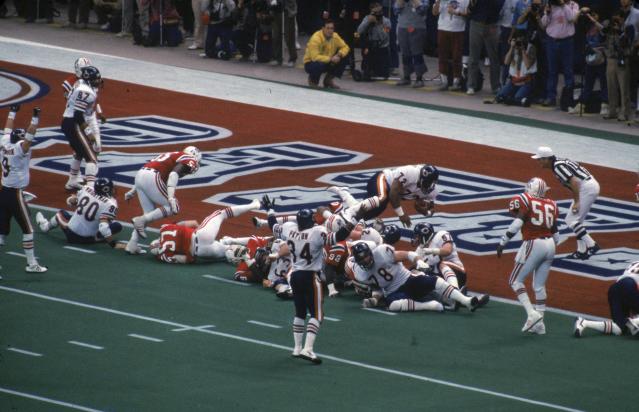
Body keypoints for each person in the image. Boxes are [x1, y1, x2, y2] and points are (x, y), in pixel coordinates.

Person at [266, 196, 358, 364]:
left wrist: (270, 210)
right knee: (317, 314)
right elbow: (338, 237)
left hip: (294, 276)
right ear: (309, 221)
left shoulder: (290, 230)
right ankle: (308, 350)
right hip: (310, 276)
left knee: (300, 312)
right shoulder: (317, 232)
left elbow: (273, 226)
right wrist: (352, 223)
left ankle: (296, 348)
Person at [496, 177, 559, 334]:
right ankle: (540, 325)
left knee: (515, 281)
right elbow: (556, 234)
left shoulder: (525, 199)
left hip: (534, 242)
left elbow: (518, 223)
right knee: (539, 286)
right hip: (551, 244)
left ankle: (532, 314)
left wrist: (504, 240)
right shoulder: (552, 204)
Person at [347, 241, 480, 312]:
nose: (365, 260)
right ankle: (429, 306)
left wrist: (419, 261)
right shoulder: (361, 273)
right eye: (362, 259)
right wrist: (375, 299)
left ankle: (465, 301)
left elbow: (407, 254)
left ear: (371, 253)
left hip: (408, 280)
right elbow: (376, 287)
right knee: (392, 305)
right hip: (394, 292)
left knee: (436, 281)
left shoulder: (382, 252)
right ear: (358, 262)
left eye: (366, 256)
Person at [124, 146, 202, 254]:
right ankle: (140, 220)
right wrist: (171, 197)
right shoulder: (190, 159)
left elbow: (150, 168)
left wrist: (133, 190)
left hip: (141, 175)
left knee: (149, 214)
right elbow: (173, 174)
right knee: (173, 207)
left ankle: (132, 244)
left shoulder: (173, 154)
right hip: (152, 176)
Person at [0, 105, 47, 273]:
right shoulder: (20, 149)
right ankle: (32, 264)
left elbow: (7, 128)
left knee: (2, 233)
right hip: (15, 193)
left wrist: (13, 112)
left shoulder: (5, 142)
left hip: (3, 192)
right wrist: (35, 118)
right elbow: (29, 136)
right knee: (28, 230)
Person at [531, 146, 600, 259]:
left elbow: (574, 182)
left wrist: (577, 201)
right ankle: (581, 251)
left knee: (571, 220)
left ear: (546, 159)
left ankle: (592, 245)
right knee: (577, 221)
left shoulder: (558, 166)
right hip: (589, 186)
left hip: (586, 188)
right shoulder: (559, 163)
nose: (538, 162)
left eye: (539, 159)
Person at [149, 198, 263, 263]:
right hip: (201, 236)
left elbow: (187, 260)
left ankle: (254, 258)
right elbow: (193, 222)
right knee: (220, 214)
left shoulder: (163, 255)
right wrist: (203, 232)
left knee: (227, 251)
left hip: (201, 252)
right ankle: (254, 205)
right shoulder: (165, 228)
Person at [412, 222, 490, 308]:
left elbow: (447, 250)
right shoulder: (419, 250)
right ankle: (462, 300)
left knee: (441, 264)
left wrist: (431, 251)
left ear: (424, 234)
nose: (416, 239)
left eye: (418, 236)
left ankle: (455, 290)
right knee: (417, 275)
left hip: (456, 272)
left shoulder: (440, 235)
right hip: (440, 279)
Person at [35, 178, 122, 247]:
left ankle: (45, 226)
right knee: (116, 225)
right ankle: (98, 238)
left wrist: (72, 199)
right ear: (107, 189)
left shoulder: (86, 189)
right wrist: (112, 243)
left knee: (61, 213)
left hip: (71, 233)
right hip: (88, 239)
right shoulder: (111, 203)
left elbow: (70, 202)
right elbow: (103, 227)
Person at [62, 58, 107, 190]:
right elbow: (78, 115)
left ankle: (73, 179)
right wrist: (89, 133)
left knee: (80, 152)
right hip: (74, 122)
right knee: (92, 157)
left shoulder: (81, 83)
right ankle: (90, 189)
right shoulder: (86, 91)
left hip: (70, 120)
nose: (98, 81)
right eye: (95, 79)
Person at [574, 261, 639, 337]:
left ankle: (584, 322)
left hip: (615, 289)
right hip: (630, 286)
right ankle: (634, 322)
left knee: (620, 328)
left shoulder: (635, 262)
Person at [363, 163, 439, 228]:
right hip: (383, 179)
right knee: (381, 199)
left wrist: (425, 212)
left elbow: (430, 208)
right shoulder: (411, 172)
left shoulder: (433, 191)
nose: (430, 186)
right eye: (428, 182)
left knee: (375, 210)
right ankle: (355, 215)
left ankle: (358, 220)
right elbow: (393, 193)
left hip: (388, 192)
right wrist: (401, 214)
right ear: (422, 178)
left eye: (432, 183)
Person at [568, 9, 608, 116]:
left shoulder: (601, 26)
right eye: (591, 15)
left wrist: (591, 18)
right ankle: (581, 105)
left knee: (603, 83)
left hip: (600, 59)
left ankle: (605, 105)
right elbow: (574, 23)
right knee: (588, 84)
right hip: (590, 59)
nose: (592, 17)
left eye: (594, 15)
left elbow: (603, 30)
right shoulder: (588, 27)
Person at [540, 0, 580, 107]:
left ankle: (568, 98)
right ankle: (551, 97)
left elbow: (571, 18)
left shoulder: (573, 5)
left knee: (568, 70)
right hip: (551, 40)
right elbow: (544, 24)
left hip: (566, 41)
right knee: (552, 71)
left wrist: (563, 5)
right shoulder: (551, 5)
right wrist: (548, 13)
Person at [466, 0, 505, 95]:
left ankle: (495, 86)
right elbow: (469, 9)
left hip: (492, 24)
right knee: (473, 56)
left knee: (494, 58)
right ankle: (471, 85)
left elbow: (499, 5)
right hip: (476, 23)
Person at [433, 0, 470, 91]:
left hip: (458, 30)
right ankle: (444, 81)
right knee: (442, 56)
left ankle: (456, 82)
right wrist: (438, 2)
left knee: (457, 56)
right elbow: (434, 12)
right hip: (442, 28)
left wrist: (456, 12)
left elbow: (469, 13)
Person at [303, 19, 350, 89]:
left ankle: (328, 80)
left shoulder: (335, 36)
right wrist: (331, 59)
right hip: (311, 63)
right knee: (319, 63)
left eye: (332, 28)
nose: (330, 31)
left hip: (328, 60)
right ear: (323, 29)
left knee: (344, 55)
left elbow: (346, 47)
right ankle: (313, 80)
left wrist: (339, 55)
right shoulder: (316, 38)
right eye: (327, 28)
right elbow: (314, 57)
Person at [495, 28, 537, 105]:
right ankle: (516, 100)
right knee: (499, 97)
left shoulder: (531, 48)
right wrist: (511, 48)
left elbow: (528, 65)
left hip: (526, 82)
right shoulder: (513, 48)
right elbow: (506, 62)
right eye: (517, 41)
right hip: (513, 82)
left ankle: (519, 99)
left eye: (521, 41)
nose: (519, 43)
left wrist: (523, 50)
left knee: (518, 98)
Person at [394, 0, 429, 88]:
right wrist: (400, 2)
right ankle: (406, 77)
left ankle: (419, 78)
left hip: (417, 27)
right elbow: (396, 11)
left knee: (417, 53)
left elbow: (423, 10)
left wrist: (415, 1)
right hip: (402, 26)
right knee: (405, 53)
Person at [356, 2, 392, 80]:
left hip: (382, 48)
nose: (378, 14)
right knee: (367, 72)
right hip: (370, 47)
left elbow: (384, 36)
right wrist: (367, 22)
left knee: (383, 74)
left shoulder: (387, 22)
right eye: (376, 12)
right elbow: (359, 31)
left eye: (380, 12)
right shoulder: (367, 18)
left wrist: (377, 24)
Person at [268, 0, 297, 66]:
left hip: (287, 10)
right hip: (275, 11)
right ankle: (278, 58)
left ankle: (292, 58)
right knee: (276, 35)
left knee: (289, 36)